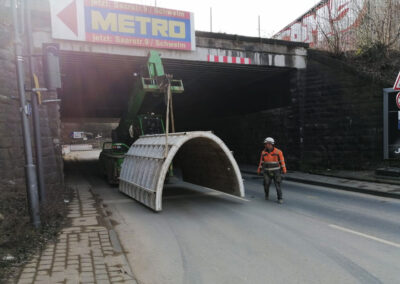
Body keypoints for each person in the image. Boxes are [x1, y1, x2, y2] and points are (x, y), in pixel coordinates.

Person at [257, 137, 287, 203]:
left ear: (270, 144)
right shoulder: (263, 152)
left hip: (276, 171)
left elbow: (282, 161)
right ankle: (266, 194)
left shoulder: (278, 152)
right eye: (265, 144)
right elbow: (261, 162)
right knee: (266, 184)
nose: (265, 145)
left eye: (266, 143)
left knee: (277, 185)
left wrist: (284, 169)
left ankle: (280, 198)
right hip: (267, 171)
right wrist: (259, 169)